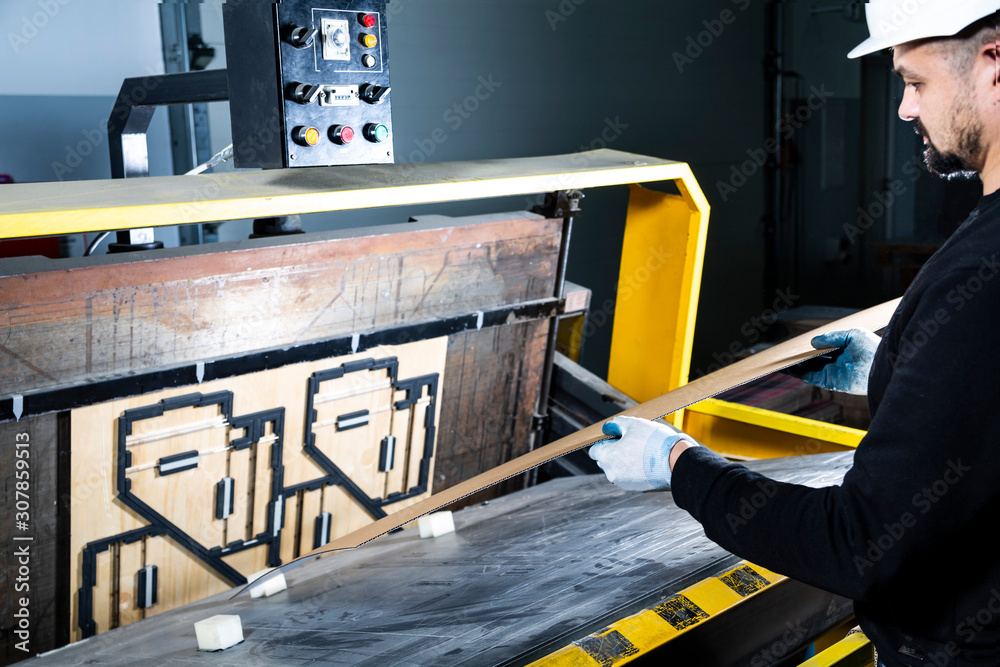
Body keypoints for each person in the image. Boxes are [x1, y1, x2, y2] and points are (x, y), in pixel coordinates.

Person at [589, 2, 1000, 666]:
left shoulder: (980, 269)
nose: (903, 108)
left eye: (915, 82)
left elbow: (860, 544)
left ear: (994, 64)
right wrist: (890, 368)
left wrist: (679, 465)